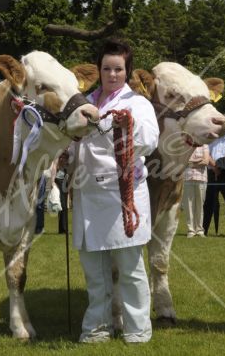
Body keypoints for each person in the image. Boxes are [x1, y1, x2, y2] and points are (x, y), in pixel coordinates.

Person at [71, 38, 159, 343]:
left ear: (127, 71)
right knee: (95, 272)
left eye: (118, 69)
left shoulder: (138, 104)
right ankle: (97, 328)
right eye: (106, 68)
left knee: (130, 269)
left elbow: (149, 140)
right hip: (88, 193)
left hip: (124, 194)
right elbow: (70, 141)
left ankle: (137, 330)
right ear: (99, 69)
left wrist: (128, 125)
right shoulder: (83, 103)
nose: (112, 74)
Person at [181, 145, 209, 238]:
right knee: (189, 205)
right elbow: (183, 161)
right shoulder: (185, 146)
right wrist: (198, 161)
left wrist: (191, 163)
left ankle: (200, 230)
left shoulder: (205, 146)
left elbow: (206, 161)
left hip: (201, 179)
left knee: (200, 205)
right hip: (187, 178)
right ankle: (191, 230)